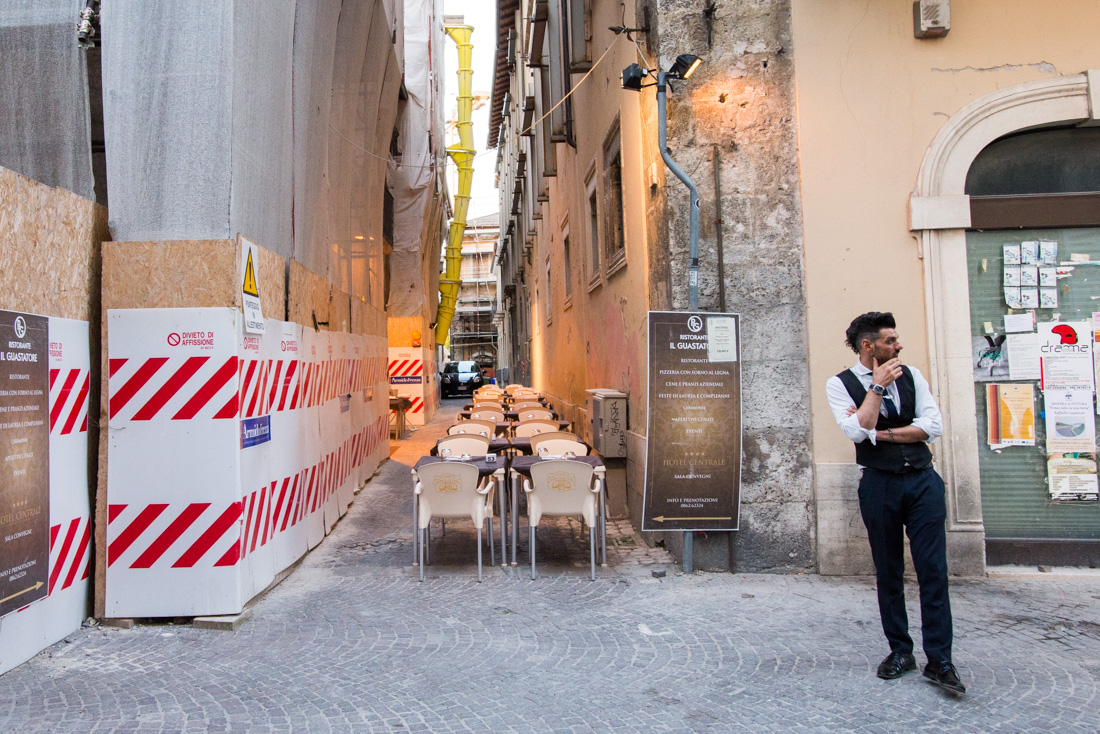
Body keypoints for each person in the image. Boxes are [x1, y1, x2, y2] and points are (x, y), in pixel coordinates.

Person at [825, 312, 965, 694]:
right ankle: (901, 651)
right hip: (879, 487)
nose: (898, 346)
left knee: (933, 570)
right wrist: (877, 389)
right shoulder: (839, 385)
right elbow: (855, 429)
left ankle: (940, 660)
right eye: (891, 340)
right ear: (868, 346)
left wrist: (879, 435)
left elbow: (931, 427)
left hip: (923, 483)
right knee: (889, 572)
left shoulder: (913, 375)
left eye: (897, 339)